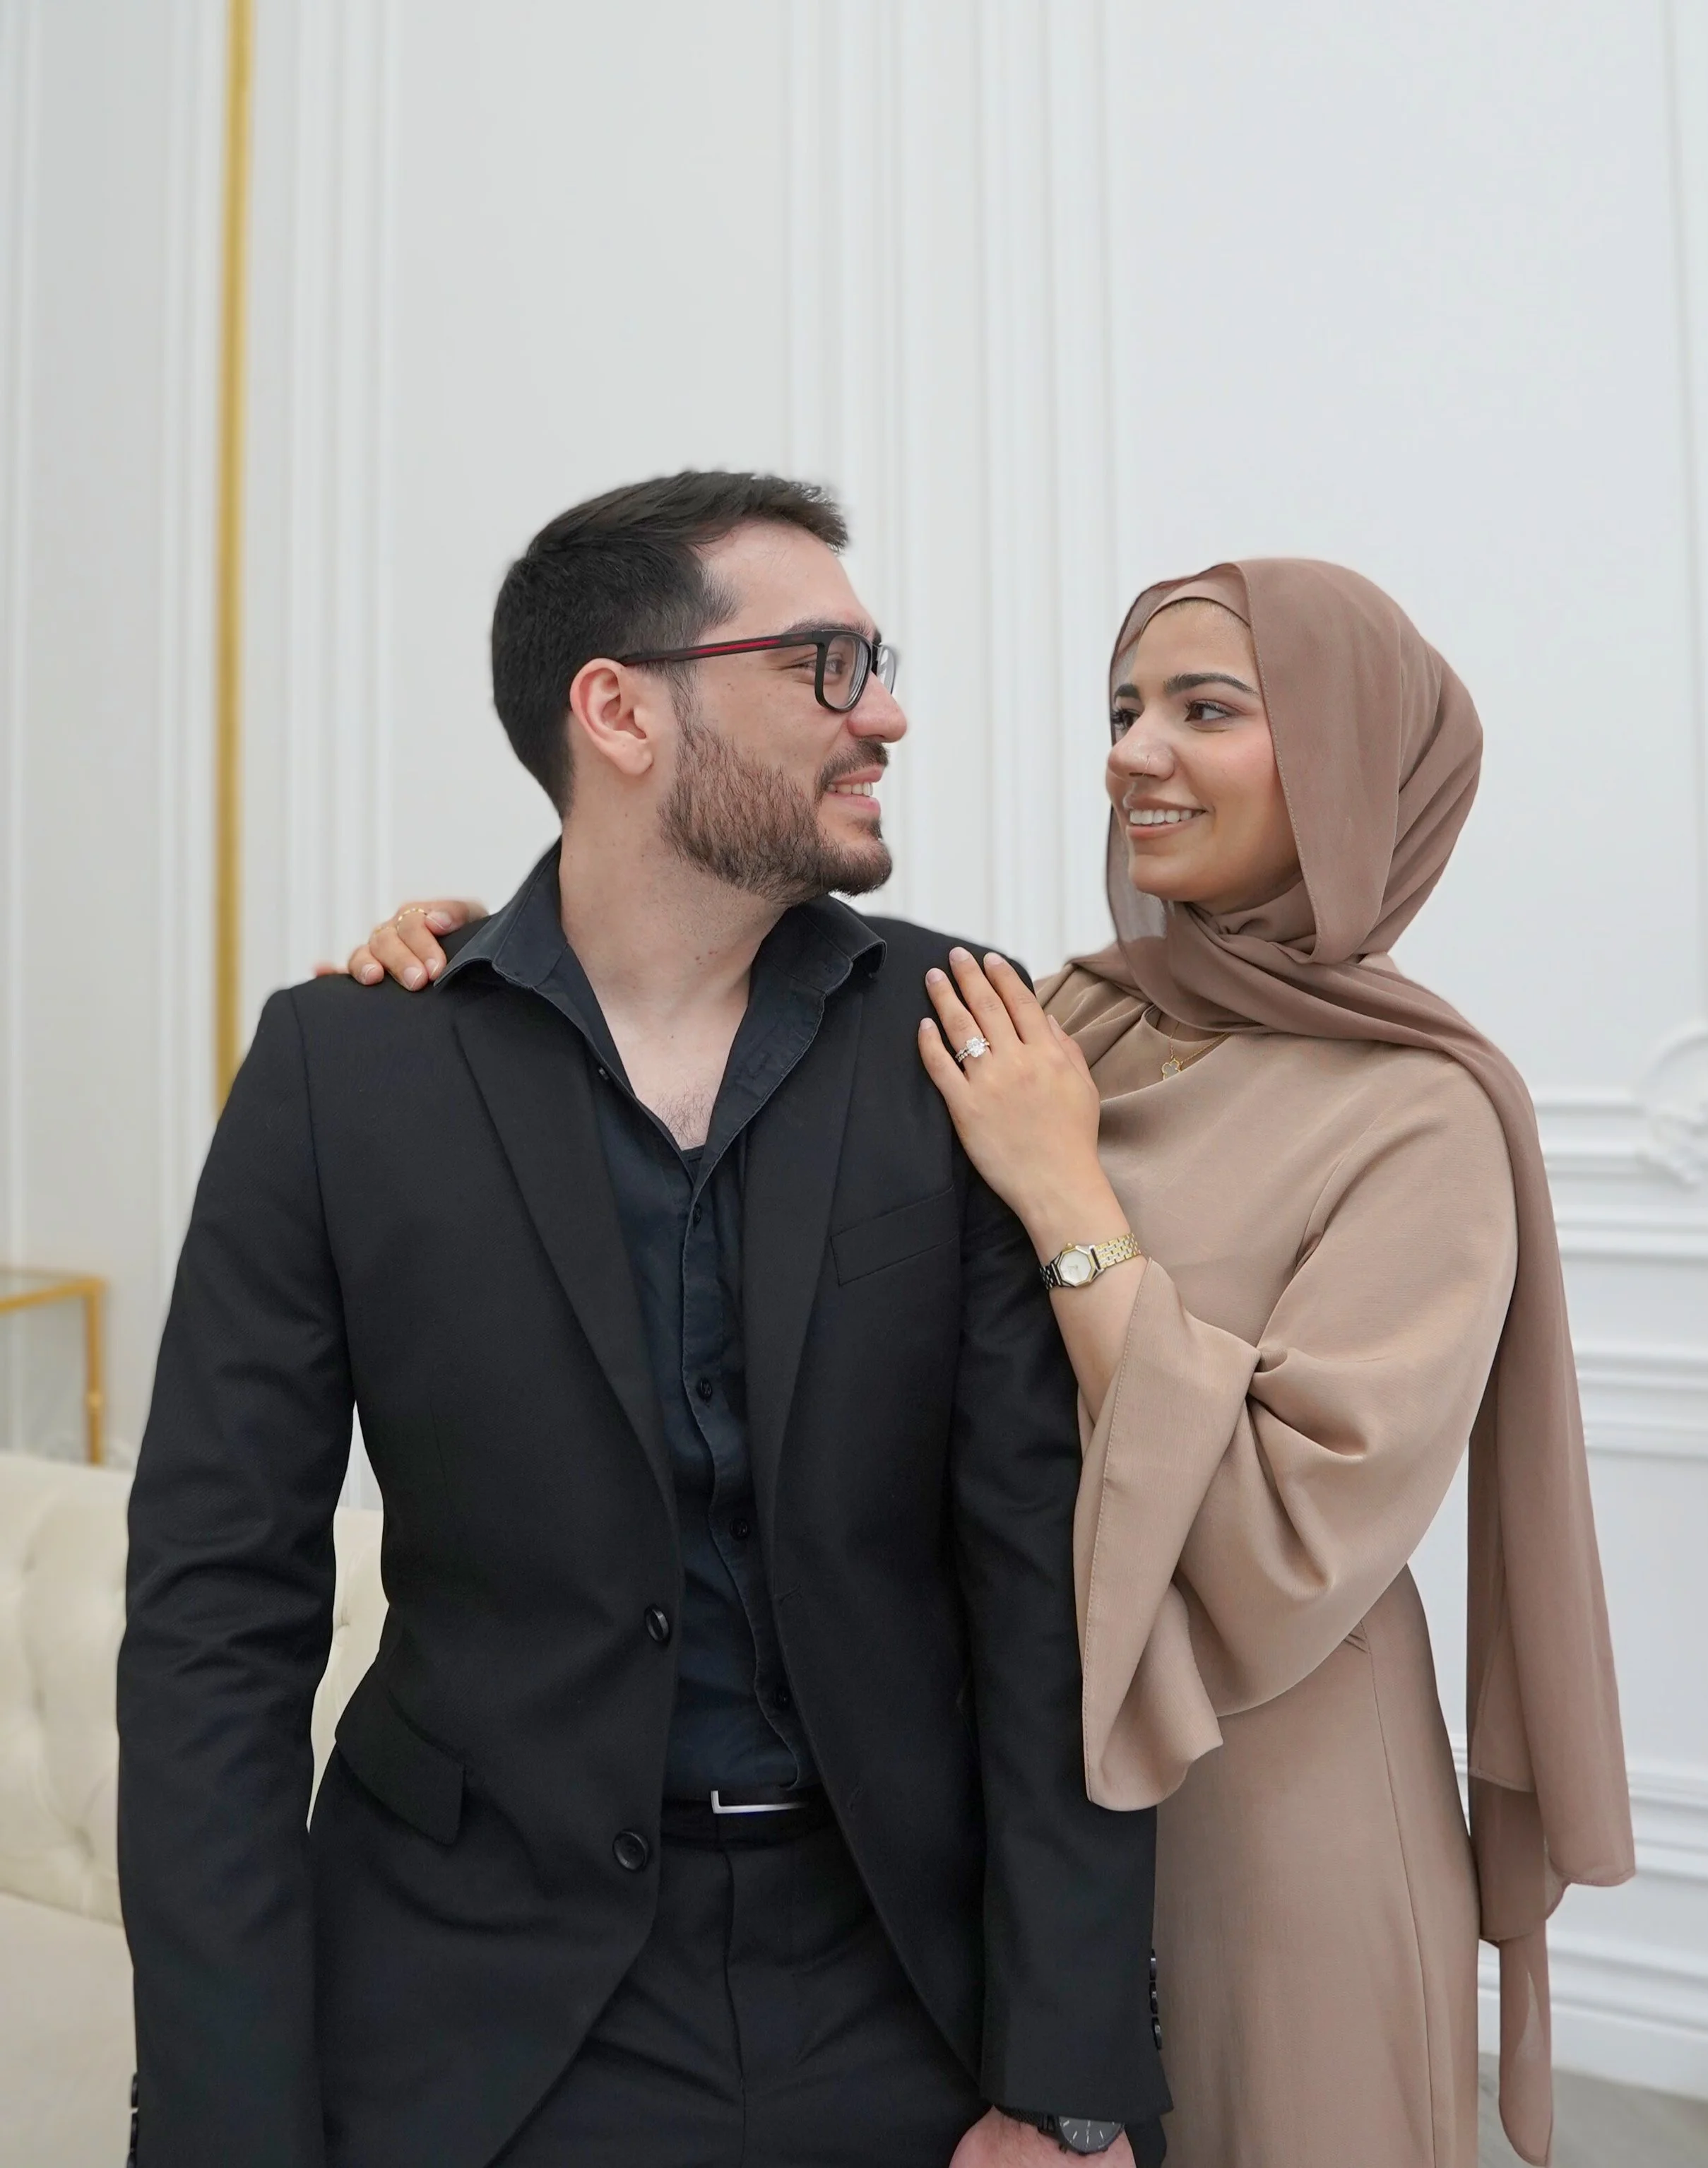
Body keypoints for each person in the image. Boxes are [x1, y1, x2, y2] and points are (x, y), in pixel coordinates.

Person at [359, 557, 1635, 2168]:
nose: (1130, 754)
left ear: (1350, 757)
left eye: (1204, 710)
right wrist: (489, 970)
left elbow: (1280, 1533)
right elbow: (729, 1069)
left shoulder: (1419, 1113)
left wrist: (1064, 1196)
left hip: (1266, 1807)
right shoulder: (1067, 1020)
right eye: (1121, 711)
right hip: (1021, 1802)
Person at [117, 472, 1170, 2168]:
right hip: (472, 1985)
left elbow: (1046, 1585)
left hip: (896, 1973)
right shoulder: (348, 1068)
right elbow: (212, 1626)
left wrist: (1067, 2076)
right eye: (823, 663)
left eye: (874, 659)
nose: (883, 711)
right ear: (616, 708)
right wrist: (226, 2114)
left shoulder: (964, 1031)